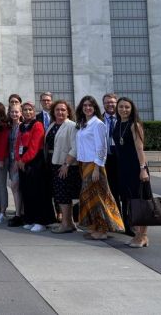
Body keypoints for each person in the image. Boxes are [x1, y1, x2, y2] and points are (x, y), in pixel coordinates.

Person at [75, 95, 124, 240]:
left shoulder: (98, 124)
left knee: (99, 198)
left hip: (94, 165)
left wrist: (97, 167)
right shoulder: (84, 123)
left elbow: (101, 147)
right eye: (85, 105)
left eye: (90, 105)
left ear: (95, 108)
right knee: (89, 198)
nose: (87, 108)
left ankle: (103, 230)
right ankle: (94, 226)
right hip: (84, 164)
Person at [114, 97, 151, 248]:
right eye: (121, 107)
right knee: (130, 202)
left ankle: (143, 236)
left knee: (140, 202)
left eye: (127, 107)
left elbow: (140, 149)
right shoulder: (119, 123)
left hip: (136, 168)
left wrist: (143, 169)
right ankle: (138, 235)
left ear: (132, 109)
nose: (124, 109)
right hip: (124, 169)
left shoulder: (134, 125)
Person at [14, 101, 54, 232]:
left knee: (38, 192)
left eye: (30, 110)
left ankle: (41, 221)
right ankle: (30, 219)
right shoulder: (22, 126)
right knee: (27, 192)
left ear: (34, 111)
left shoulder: (37, 125)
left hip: (35, 163)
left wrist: (23, 160)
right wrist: (18, 159)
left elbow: (34, 146)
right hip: (23, 162)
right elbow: (17, 144)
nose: (27, 112)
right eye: (25, 110)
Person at [45, 100, 80, 234]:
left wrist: (66, 164)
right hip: (53, 163)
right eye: (57, 110)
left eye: (63, 110)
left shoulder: (72, 126)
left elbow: (75, 147)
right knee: (60, 194)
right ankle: (69, 222)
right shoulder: (53, 125)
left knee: (64, 194)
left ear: (68, 112)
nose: (60, 112)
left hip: (65, 165)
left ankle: (65, 223)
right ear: (53, 112)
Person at [102, 92, 122, 219]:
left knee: (123, 191)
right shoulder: (98, 119)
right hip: (105, 160)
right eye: (107, 102)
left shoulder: (123, 118)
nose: (110, 104)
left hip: (121, 160)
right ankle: (113, 218)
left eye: (112, 102)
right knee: (110, 191)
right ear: (103, 104)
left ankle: (126, 220)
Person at [6, 103, 25, 227]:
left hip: (19, 161)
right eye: (12, 112)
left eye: (16, 112)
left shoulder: (22, 127)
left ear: (20, 113)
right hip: (10, 160)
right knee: (16, 188)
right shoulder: (9, 127)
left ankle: (18, 215)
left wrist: (18, 161)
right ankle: (20, 212)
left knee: (15, 186)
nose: (14, 114)